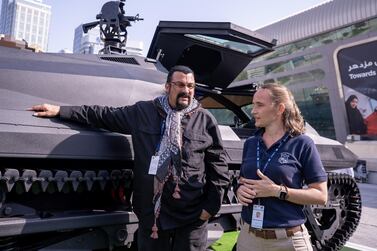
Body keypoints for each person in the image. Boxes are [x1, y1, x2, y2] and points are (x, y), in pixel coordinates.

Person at [29, 65, 229, 251]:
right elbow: (103, 115)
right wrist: (61, 111)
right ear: (168, 87)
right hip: (152, 216)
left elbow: (218, 167)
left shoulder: (205, 120)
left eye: (191, 86)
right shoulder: (143, 112)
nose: (186, 90)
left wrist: (209, 210)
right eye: (180, 85)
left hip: (191, 217)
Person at [236, 83, 328, 251]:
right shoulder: (250, 143)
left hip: (288, 241)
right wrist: (239, 190)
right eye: (253, 104)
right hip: (248, 238)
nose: (253, 110)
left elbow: (321, 195)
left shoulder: (302, 143)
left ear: (279, 109)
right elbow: (243, 181)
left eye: (260, 105)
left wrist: (278, 191)